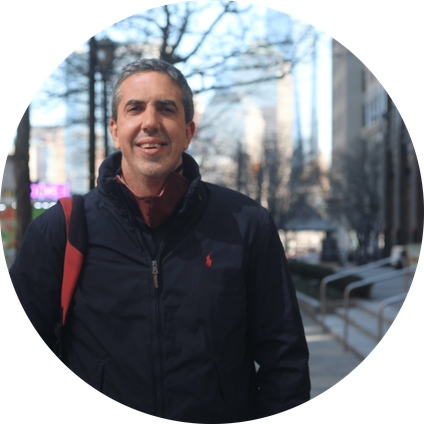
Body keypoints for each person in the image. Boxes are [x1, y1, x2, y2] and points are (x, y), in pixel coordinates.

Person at [10, 59, 310, 423]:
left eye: (166, 109)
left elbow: (285, 363)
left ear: (188, 131)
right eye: (135, 108)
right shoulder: (61, 229)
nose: (150, 122)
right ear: (115, 130)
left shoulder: (247, 224)